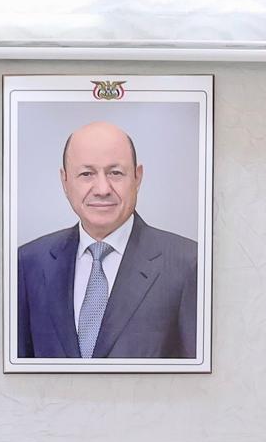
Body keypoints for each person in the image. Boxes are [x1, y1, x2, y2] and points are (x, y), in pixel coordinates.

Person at [16, 122, 200, 361]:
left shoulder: (189, 264)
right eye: (86, 174)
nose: (102, 189)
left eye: (115, 173)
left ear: (137, 177)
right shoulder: (28, 263)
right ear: (65, 181)